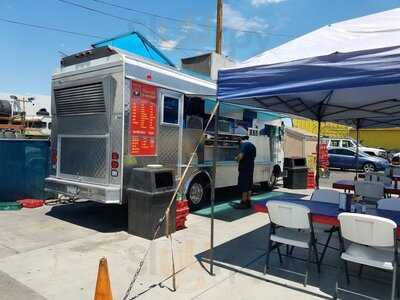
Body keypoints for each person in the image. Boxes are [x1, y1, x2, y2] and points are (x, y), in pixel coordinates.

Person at [233, 136, 256, 209]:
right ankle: (248, 201)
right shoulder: (252, 145)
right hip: (251, 168)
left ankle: (243, 203)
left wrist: (236, 158)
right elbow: (254, 157)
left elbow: (240, 156)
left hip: (244, 169)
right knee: (249, 185)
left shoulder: (243, 146)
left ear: (239, 142)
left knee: (244, 185)